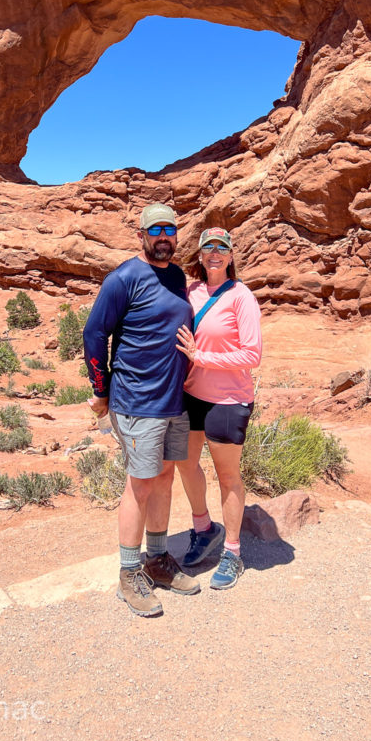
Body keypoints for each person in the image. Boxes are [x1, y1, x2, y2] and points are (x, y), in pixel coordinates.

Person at [83, 202, 199, 617]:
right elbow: (95, 333)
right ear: (141, 236)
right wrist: (101, 389)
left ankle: (158, 559)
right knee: (141, 484)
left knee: (165, 479)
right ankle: (129, 574)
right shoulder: (123, 278)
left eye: (170, 229)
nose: (163, 236)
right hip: (137, 401)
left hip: (173, 400)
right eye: (155, 230)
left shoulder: (177, 276)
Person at [175, 227, 262, 590]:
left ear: (230, 255)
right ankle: (204, 529)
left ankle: (232, 552)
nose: (214, 253)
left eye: (221, 248)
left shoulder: (241, 296)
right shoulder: (190, 291)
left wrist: (201, 357)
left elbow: (252, 354)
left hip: (228, 399)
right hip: (192, 394)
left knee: (228, 477)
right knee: (185, 463)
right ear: (199, 254)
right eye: (207, 247)